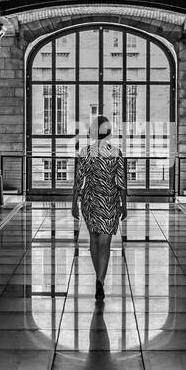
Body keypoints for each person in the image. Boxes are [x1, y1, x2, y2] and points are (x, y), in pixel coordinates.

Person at [71, 115, 128, 299]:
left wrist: (74, 203)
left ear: (93, 131)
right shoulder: (116, 152)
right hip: (109, 200)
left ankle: (99, 278)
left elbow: (78, 181)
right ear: (109, 131)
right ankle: (100, 281)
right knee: (105, 243)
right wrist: (124, 205)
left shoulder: (85, 152)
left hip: (90, 200)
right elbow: (121, 182)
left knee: (94, 241)